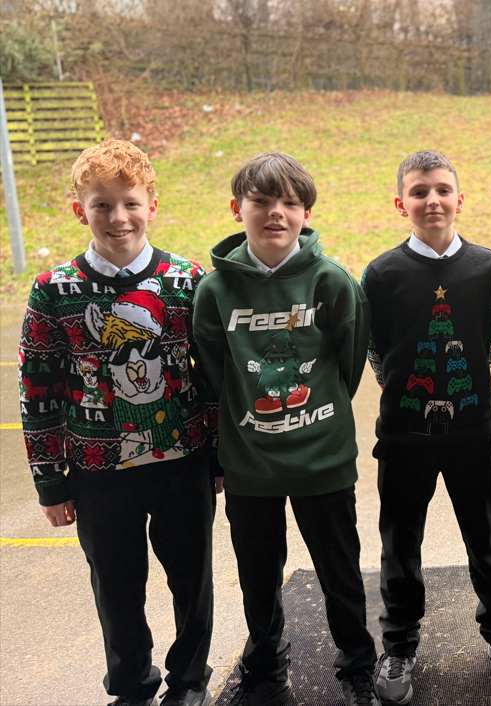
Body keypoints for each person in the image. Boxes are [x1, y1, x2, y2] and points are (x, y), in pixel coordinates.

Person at [19, 138, 217, 706]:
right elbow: (39, 391)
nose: (117, 216)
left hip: (183, 463)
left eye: (129, 202)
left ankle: (189, 682)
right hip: (98, 474)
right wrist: (50, 481)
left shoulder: (188, 281)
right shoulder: (55, 291)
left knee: (191, 582)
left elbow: (211, 377)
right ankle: (132, 684)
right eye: (100, 204)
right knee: (117, 589)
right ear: (78, 208)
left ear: (151, 204)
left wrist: (221, 458)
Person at [192, 152, 377, 706]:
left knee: (340, 573)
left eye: (290, 203)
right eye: (262, 202)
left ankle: (358, 666)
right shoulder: (214, 292)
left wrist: (311, 418)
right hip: (250, 466)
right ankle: (268, 662)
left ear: (306, 212)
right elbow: (214, 374)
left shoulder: (333, 282)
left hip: (323, 460)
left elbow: (347, 367)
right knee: (257, 576)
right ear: (236, 209)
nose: (276, 213)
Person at [361, 150, 491, 704]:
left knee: (485, 539)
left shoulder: (487, 267)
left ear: (461, 200)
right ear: (400, 203)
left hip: (471, 432)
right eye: (419, 191)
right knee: (400, 544)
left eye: (442, 190)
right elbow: (375, 344)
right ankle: (399, 645)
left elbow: (488, 339)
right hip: (404, 437)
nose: (431, 200)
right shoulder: (382, 272)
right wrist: (394, 380)